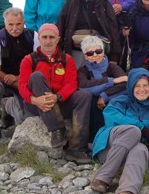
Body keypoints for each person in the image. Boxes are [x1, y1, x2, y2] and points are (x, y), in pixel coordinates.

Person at [90, 68, 149, 194]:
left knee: (140, 149)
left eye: (145, 85)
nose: (142, 89)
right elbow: (110, 117)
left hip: (132, 154)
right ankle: (103, 178)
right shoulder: (120, 101)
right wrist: (141, 127)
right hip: (109, 147)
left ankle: (126, 193)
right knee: (133, 131)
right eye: (137, 86)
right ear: (131, 87)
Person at [18, 24, 93, 164]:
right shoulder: (29, 60)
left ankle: (77, 149)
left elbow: (71, 83)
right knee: (36, 77)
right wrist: (34, 100)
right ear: (39, 39)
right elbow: (22, 85)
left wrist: (57, 97)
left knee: (84, 96)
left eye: (51, 37)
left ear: (57, 39)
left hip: (60, 101)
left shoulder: (67, 59)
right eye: (44, 37)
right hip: (37, 105)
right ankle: (57, 129)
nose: (48, 41)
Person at [0, 7, 40, 138]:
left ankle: (8, 106)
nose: (14, 27)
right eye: (10, 24)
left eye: (18, 24)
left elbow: (39, 65)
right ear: (5, 24)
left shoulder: (34, 36)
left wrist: (19, 79)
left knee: (25, 118)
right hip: (3, 79)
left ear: (24, 22)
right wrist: (12, 79)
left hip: (24, 78)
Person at [56, 0, 121, 68]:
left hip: (99, 54)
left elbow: (113, 29)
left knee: (99, 81)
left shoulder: (104, 3)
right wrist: (58, 52)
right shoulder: (70, 3)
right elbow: (60, 27)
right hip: (75, 52)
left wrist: (114, 57)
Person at [77, 35, 128, 142]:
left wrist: (104, 96)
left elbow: (125, 84)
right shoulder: (82, 71)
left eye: (98, 51)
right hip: (93, 109)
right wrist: (112, 81)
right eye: (90, 53)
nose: (95, 55)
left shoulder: (112, 67)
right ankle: (95, 141)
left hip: (112, 102)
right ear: (85, 56)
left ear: (103, 52)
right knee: (89, 98)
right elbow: (83, 86)